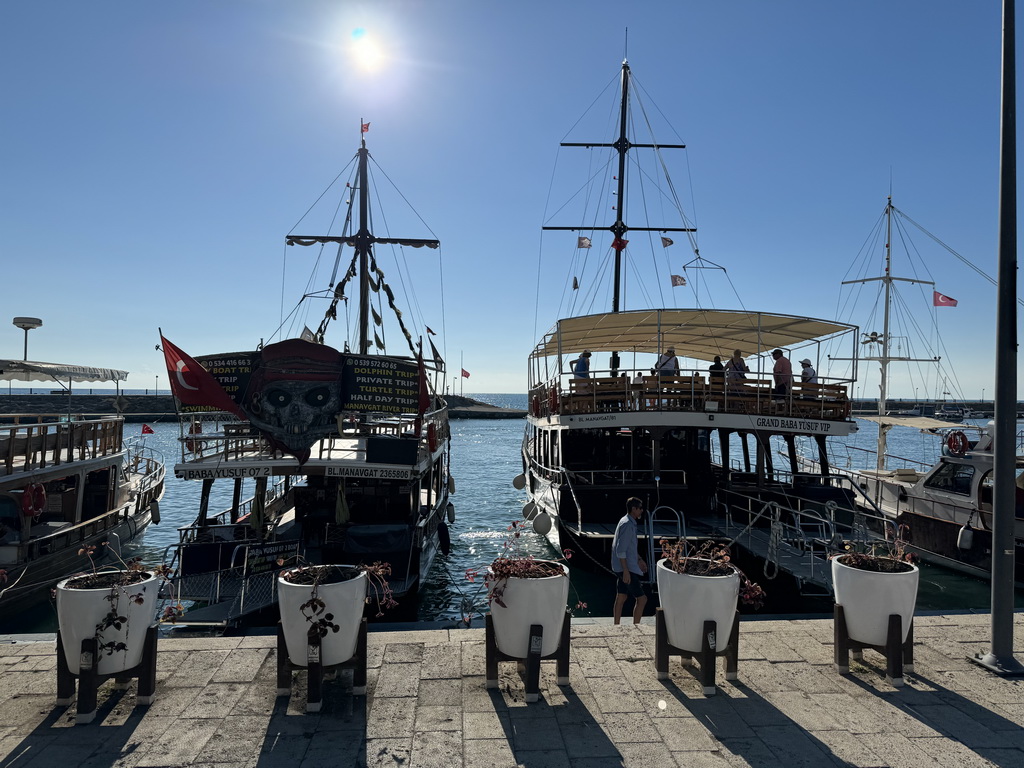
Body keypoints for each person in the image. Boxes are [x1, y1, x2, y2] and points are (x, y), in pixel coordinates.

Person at [611, 497, 648, 624]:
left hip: (623, 565)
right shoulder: (627, 524)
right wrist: (625, 570)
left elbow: (629, 547)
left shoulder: (627, 521)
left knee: (621, 596)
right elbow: (621, 549)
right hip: (626, 567)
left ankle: (616, 625)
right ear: (634, 509)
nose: (642, 511)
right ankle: (636, 626)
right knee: (642, 599)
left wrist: (639, 559)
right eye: (640, 508)